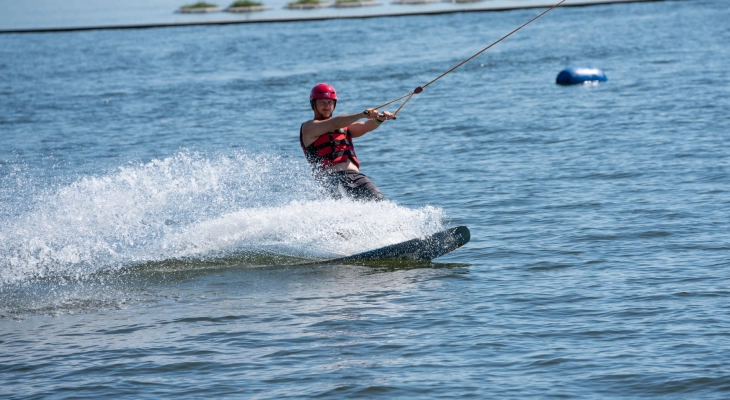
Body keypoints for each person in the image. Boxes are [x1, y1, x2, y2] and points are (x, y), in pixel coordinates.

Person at [300, 83, 395, 201]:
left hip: (357, 177)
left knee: (381, 203)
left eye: (330, 102)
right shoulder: (308, 128)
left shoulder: (345, 128)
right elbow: (334, 123)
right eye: (322, 102)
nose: (326, 106)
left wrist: (380, 119)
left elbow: (365, 126)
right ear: (313, 104)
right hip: (331, 180)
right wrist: (362, 114)